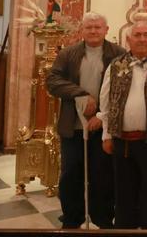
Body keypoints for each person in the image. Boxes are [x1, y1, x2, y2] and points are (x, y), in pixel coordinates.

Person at [46, 12, 123, 229]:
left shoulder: (118, 54)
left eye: (98, 27)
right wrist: (79, 93)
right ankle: (72, 218)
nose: (93, 31)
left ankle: (103, 219)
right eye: (89, 27)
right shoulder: (68, 54)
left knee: (103, 176)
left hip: (104, 127)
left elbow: (122, 89)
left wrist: (101, 116)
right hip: (73, 126)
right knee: (71, 174)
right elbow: (52, 80)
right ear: (82, 30)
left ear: (106, 30)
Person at [97, 20, 147, 229]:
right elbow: (106, 100)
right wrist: (106, 134)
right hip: (122, 141)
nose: (142, 39)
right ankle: (124, 229)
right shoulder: (117, 63)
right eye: (137, 35)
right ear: (128, 39)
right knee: (124, 192)